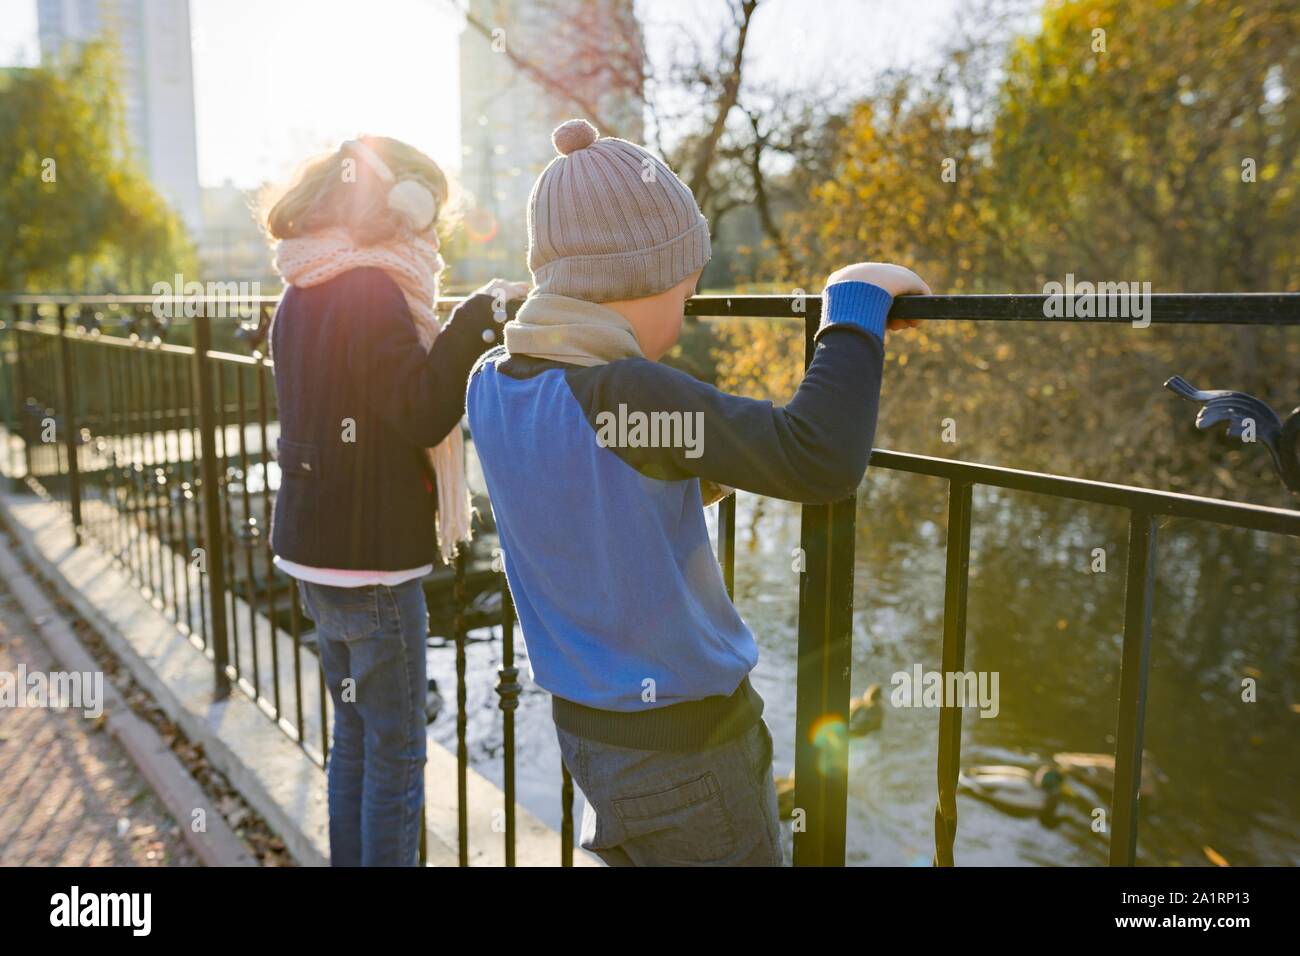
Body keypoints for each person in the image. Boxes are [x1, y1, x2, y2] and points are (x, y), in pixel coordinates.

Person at [466, 119, 929, 866]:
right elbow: (818, 461)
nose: (684, 321)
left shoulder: (491, 383)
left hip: (590, 736)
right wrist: (853, 307)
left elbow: (588, 495)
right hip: (690, 756)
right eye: (685, 293)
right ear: (637, 282)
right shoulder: (626, 393)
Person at [263, 135, 525, 866]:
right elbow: (419, 413)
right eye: (427, 212)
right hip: (372, 564)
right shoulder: (371, 288)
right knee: (400, 752)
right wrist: (476, 319)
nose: (430, 231)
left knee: (355, 740)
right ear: (399, 207)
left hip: (315, 557)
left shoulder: (302, 284)